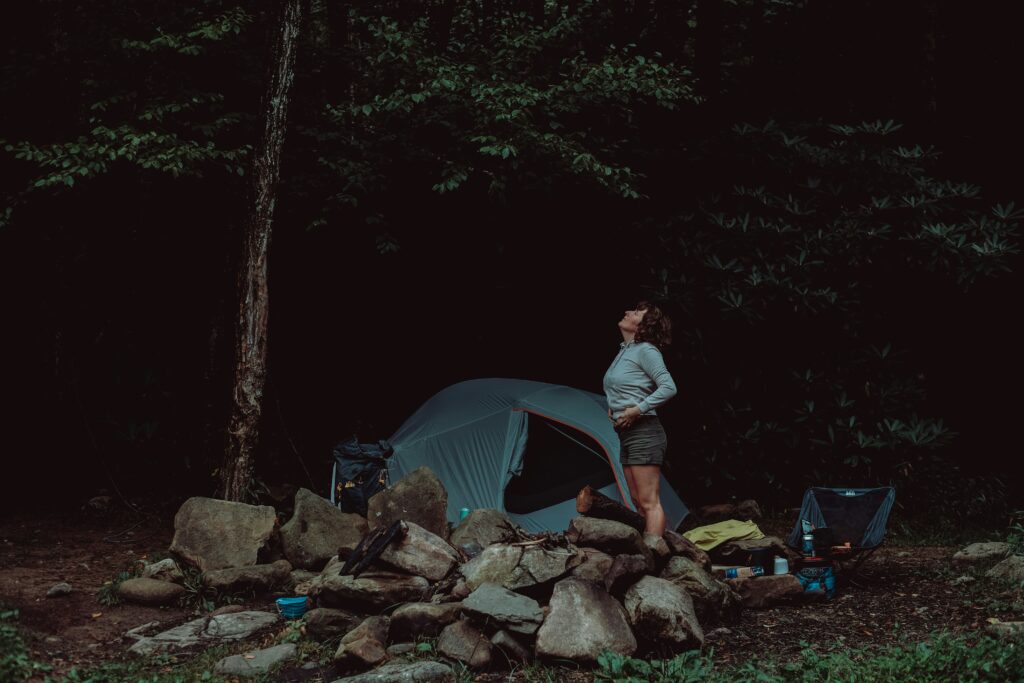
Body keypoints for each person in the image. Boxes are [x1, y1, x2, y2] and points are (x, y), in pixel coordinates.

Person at [603, 300, 677, 536]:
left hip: (645, 431)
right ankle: (650, 552)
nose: (627, 312)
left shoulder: (646, 351)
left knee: (649, 502)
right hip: (627, 433)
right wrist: (613, 407)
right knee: (636, 500)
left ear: (644, 326)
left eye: (635, 313)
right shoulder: (625, 351)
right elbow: (626, 388)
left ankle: (655, 557)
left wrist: (636, 410)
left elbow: (668, 387)